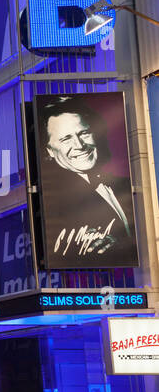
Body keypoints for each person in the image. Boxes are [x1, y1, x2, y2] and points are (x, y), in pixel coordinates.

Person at [37, 96, 138, 266]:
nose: (79, 145)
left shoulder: (127, 185)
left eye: (84, 133)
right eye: (65, 139)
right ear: (50, 151)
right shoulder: (52, 203)